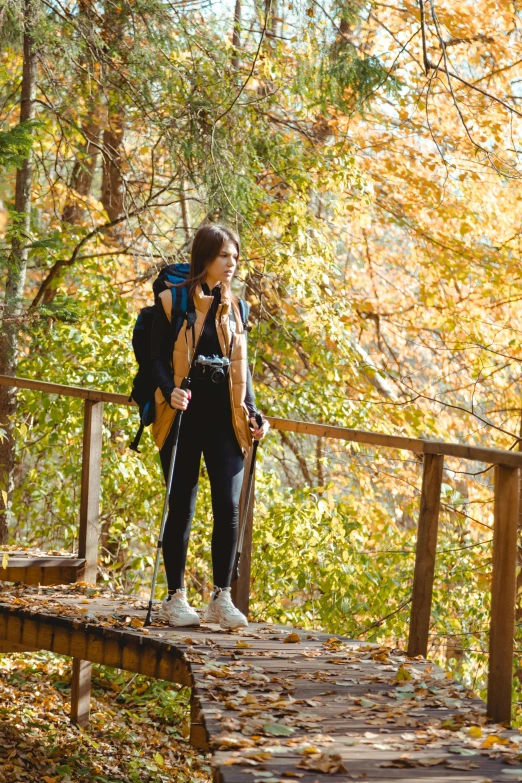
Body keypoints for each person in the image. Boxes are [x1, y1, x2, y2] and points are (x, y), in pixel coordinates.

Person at [150, 223, 270, 629]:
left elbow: (242, 371)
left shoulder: (237, 308)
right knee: (181, 505)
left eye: (235, 257)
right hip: (183, 417)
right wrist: (170, 391)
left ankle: (221, 597)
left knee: (229, 507)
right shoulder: (173, 302)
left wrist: (254, 412)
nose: (232, 263)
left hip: (225, 420)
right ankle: (175, 598)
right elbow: (153, 359)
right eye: (224, 257)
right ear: (205, 258)